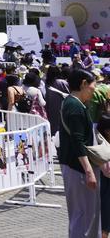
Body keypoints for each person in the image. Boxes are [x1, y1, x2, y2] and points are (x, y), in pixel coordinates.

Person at [58, 69, 99, 238]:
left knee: (83, 213)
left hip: (75, 166)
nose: (94, 91)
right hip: (78, 168)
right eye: (92, 87)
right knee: (83, 215)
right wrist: (89, 171)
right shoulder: (74, 106)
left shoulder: (71, 102)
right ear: (83, 84)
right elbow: (77, 140)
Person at [47, 65, 70, 137]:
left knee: (52, 128)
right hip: (62, 108)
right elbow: (69, 95)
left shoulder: (46, 82)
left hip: (50, 108)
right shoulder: (62, 82)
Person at [96, 114, 110, 238]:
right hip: (105, 189)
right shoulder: (102, 146)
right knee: (105, 220)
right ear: (107, 131)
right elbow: (108, 171)